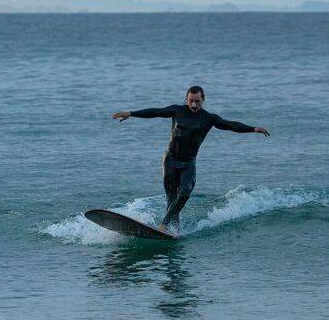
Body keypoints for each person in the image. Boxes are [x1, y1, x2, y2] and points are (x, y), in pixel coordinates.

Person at [112, 85, 270, 234]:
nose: (194, 104)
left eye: (197, 101)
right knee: (172, 198)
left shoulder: (209, 118)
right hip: (170, 160)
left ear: (203, 100)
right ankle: (173, 230)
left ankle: (163, 225)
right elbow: (155, 112)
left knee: (185, 192)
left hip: (188, 162)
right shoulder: (177, 111)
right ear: (186, 99)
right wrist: (131, 113)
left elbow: (230, 125)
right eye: (191, 101)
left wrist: (253, 129)